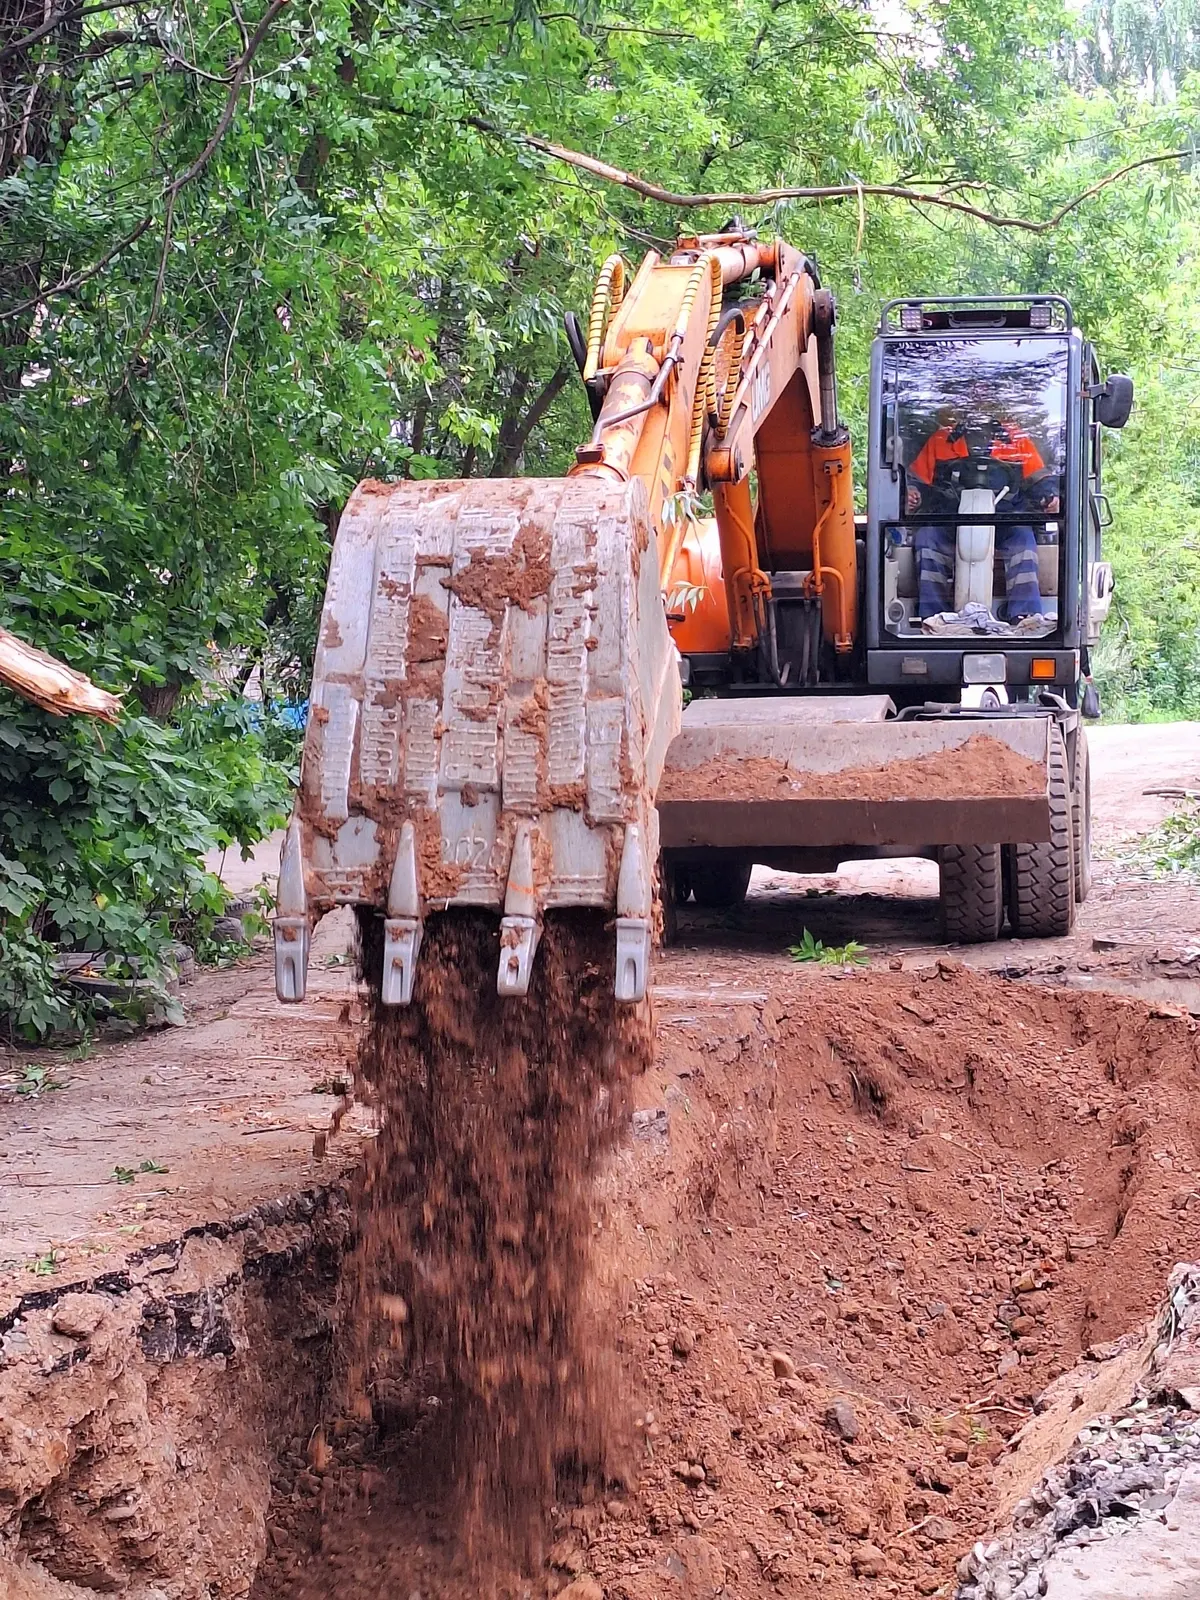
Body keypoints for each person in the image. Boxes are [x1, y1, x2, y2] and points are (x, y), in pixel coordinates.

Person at [905, 408, 1060, 622]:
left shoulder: (1016, 440)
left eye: (984, 391)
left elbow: (1039, 478)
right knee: (928, 537)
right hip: (951, 517)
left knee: (1023, 538)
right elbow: (917, 480)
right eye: (972, 390)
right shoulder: (941, 440)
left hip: (1004, 520)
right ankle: (933, 618)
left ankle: (1026, 617)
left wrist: (1049, 496)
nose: (978, 396)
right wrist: (913, 493)